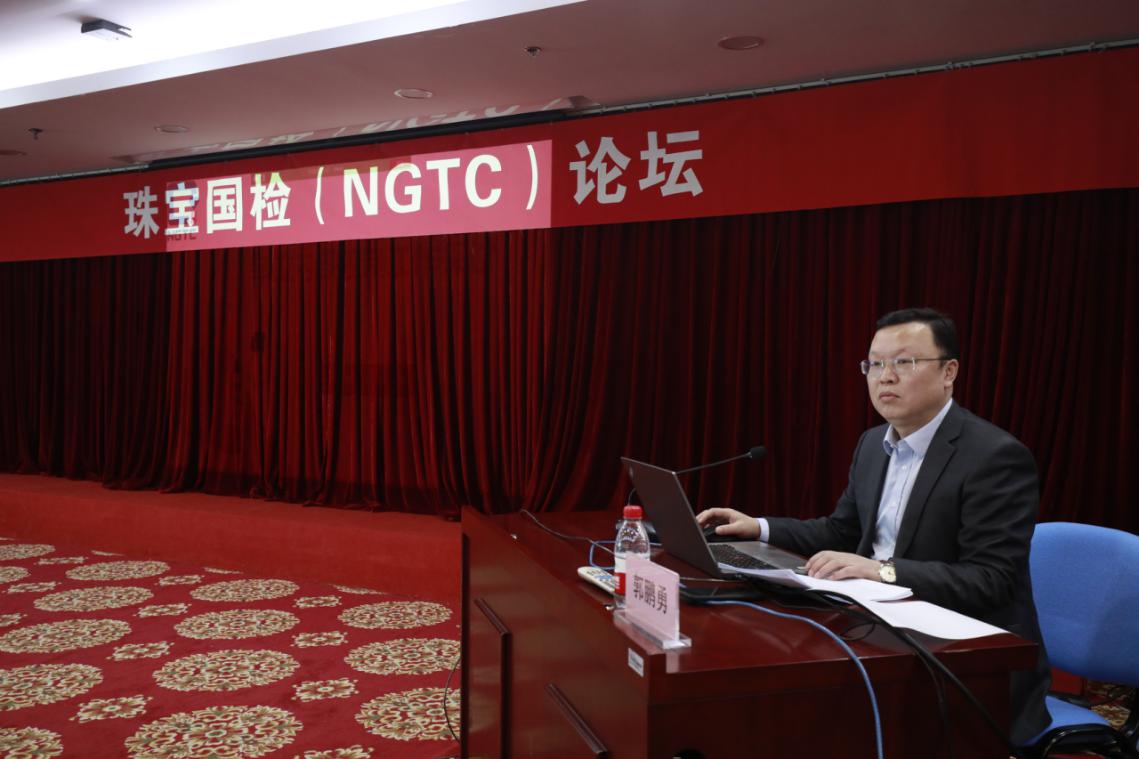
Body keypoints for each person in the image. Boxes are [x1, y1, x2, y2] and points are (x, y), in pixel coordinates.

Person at [696, 307, 1050, 746]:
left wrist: (880, 570)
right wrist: (759, 528)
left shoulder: (994, 457)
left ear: (949, 372)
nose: (886, 377)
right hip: (878, 626)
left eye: (904, 362)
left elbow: (989, 580)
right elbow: (840, 532)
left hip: (966, 658)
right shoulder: (871, 444)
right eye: (875, 364)